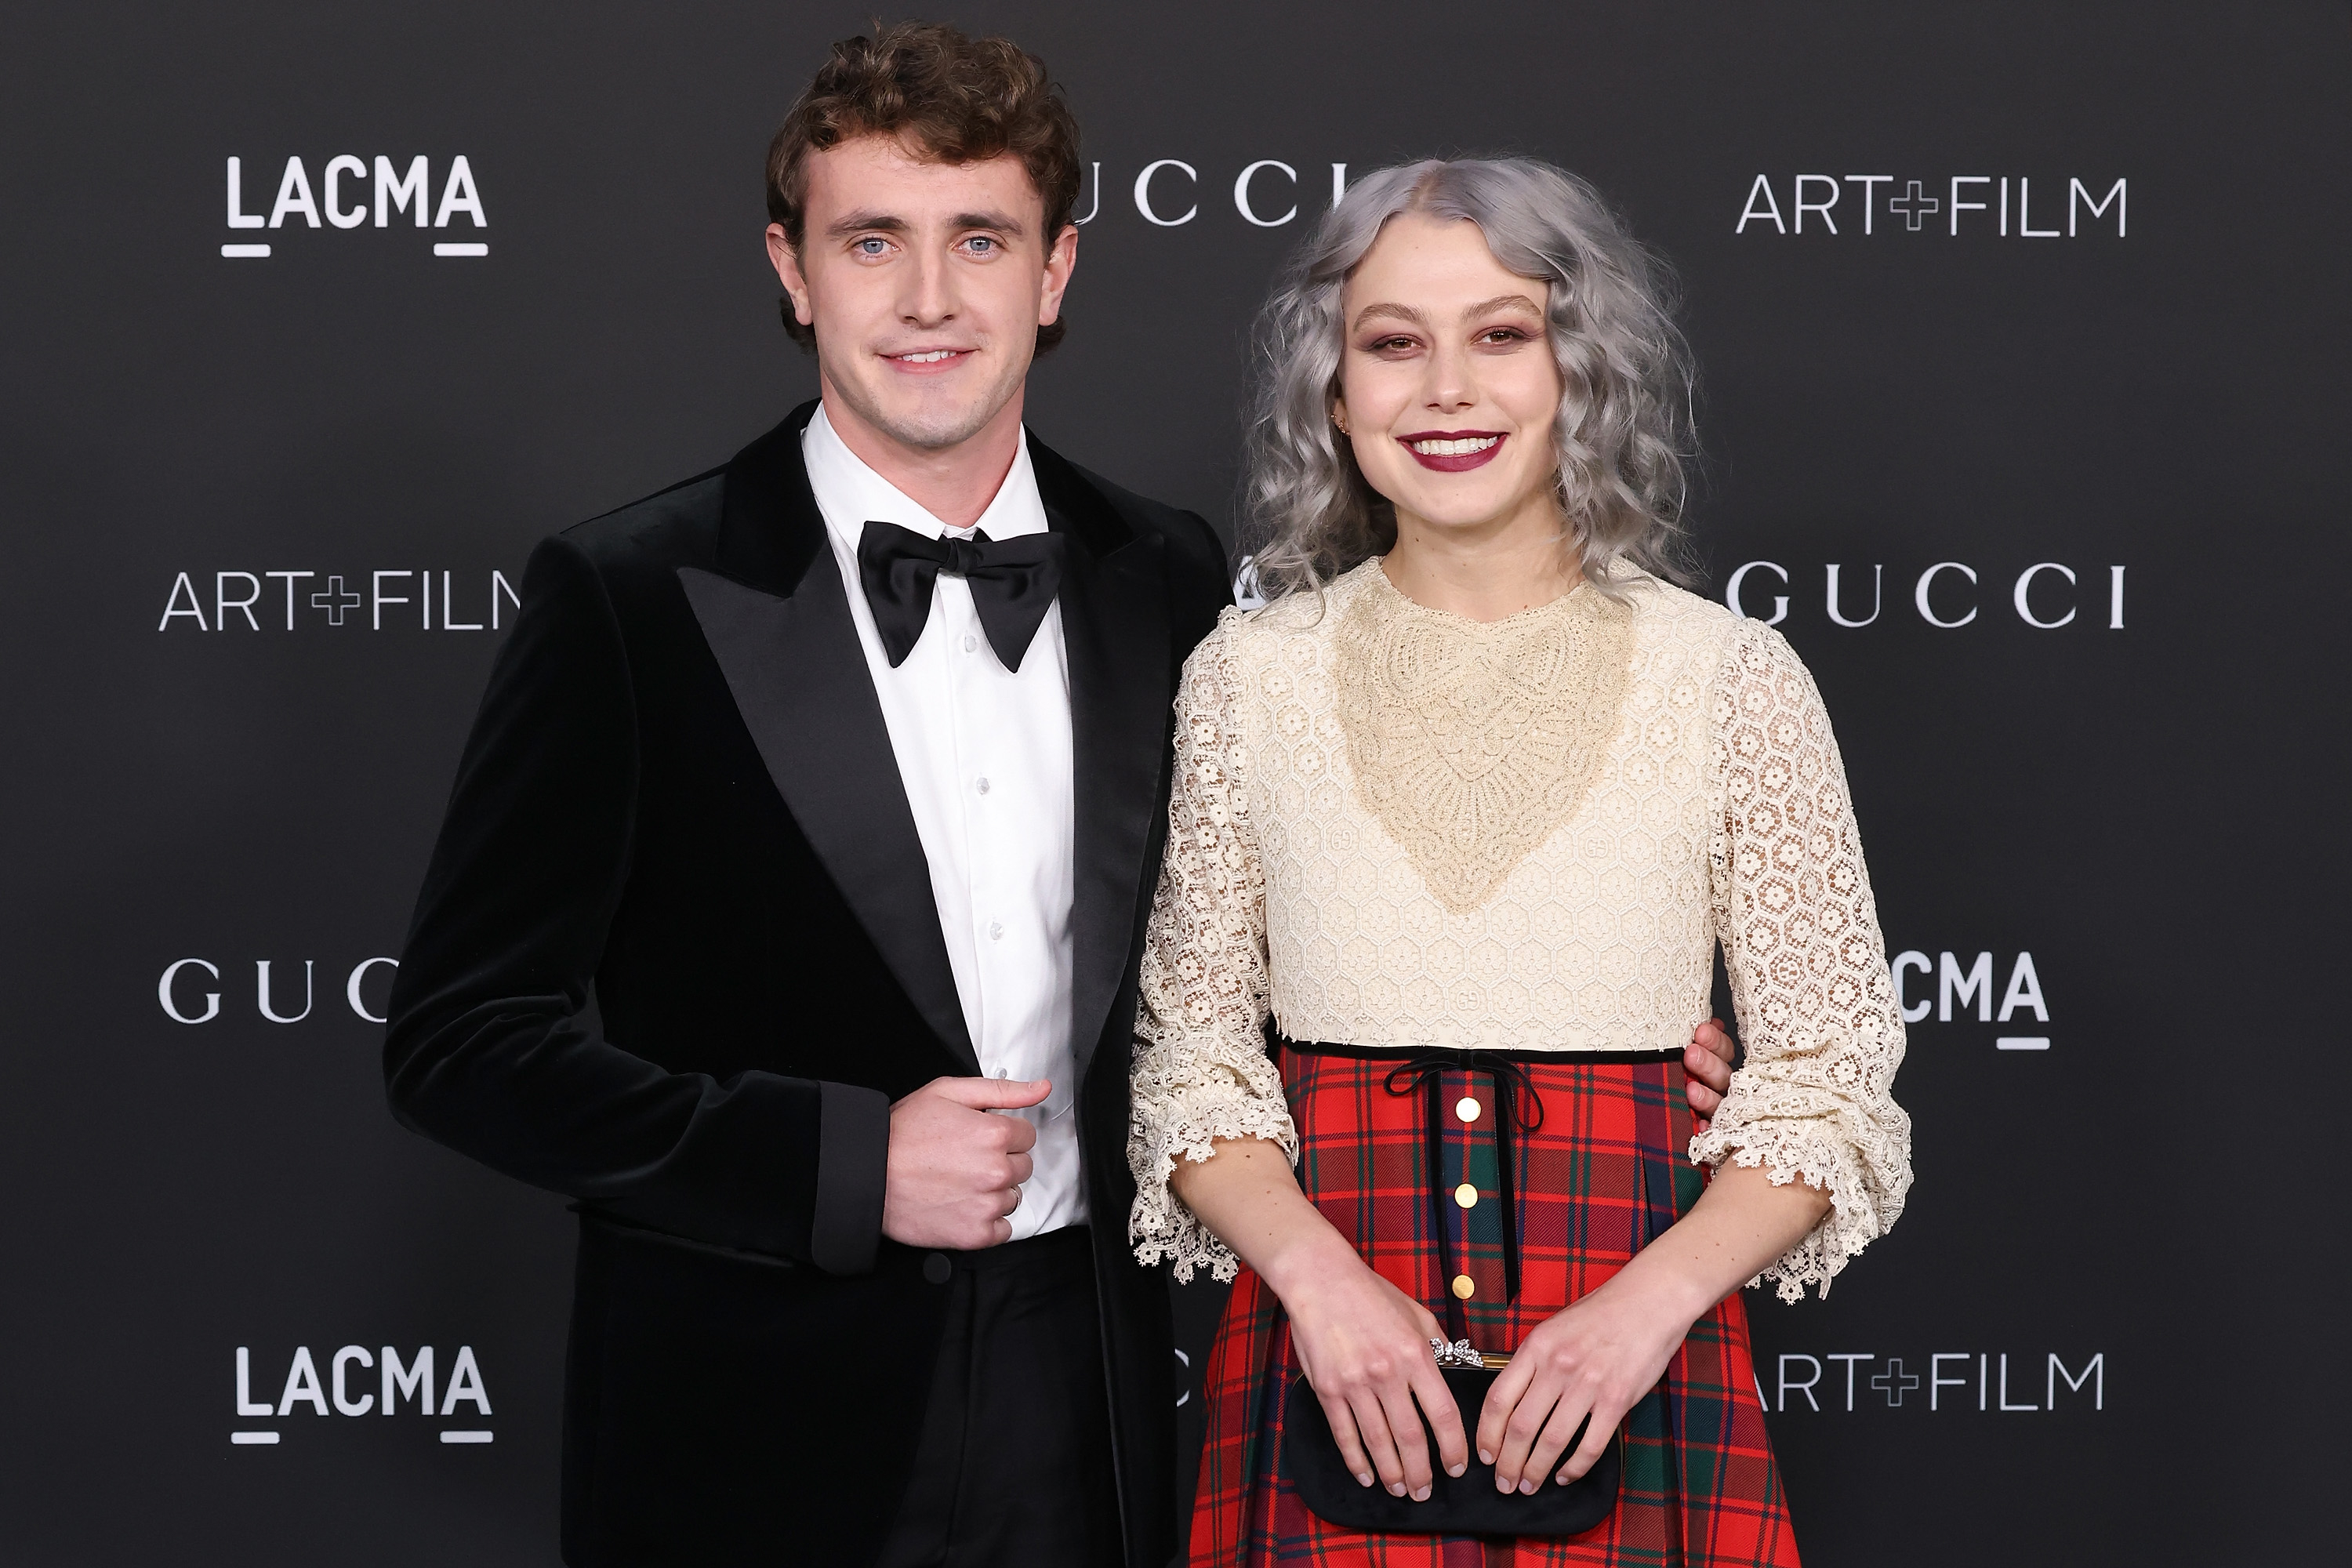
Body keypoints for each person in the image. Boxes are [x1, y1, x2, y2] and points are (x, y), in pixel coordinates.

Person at [386, 22, 1744, 1566]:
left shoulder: (1157, 575)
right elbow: (461, 1042)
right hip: (745, 1420)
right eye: (872, 240)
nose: (928, 298)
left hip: (1087, 1394)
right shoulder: (632, 596)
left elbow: (1253, 955)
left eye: (980, 239)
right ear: (791, 267)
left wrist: (1604, 1042)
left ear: (1056, 271)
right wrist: (838, 1162)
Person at [1128, 158, 1913, 1566]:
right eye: (1392, 342)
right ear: (1334, 389)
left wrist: (1643, 1310)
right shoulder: (1246, 677)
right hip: (1328, 1369)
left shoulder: (1733, 678)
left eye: (1501, 333)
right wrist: (1317, 1281)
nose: (1446, 388)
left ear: (1581, 370)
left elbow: (1828, 1082)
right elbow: (1190, 1057)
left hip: (1645, 1361)